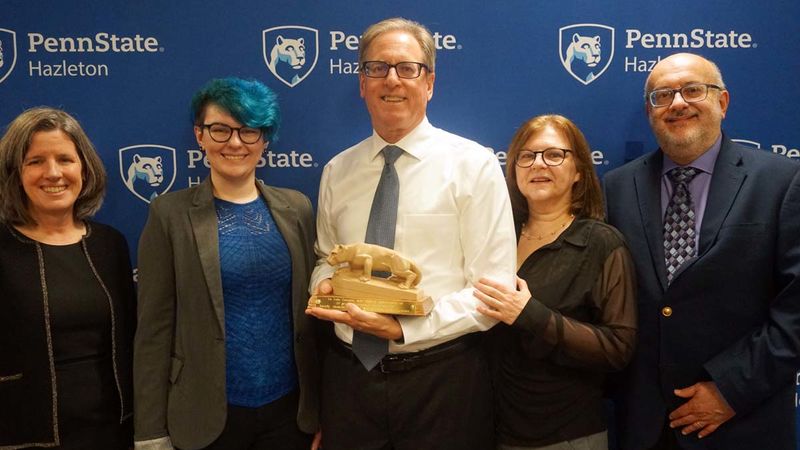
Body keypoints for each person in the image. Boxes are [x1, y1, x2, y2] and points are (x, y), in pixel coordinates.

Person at [306, 17, 517, 450]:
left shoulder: (472, 166)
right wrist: (324, 286)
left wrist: (402, 329)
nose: (392, 80)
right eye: (377, 68)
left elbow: (492, 292)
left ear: (430, 82)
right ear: (362, 83)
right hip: (349, 381)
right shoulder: (337, 171)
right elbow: (327, 256)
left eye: (408, 68)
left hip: (442, 382)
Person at [604, 53, 800, 449]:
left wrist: (730, 390)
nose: (677, 103)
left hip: (743, 422)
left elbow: (796, 310)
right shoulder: (616, 187)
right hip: (644, 425)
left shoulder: (783, 180)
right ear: (650, 111)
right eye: (662, 96)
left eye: (693, 90)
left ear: (722, 102)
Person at [133, 78, 319, 450]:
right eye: (220, 130)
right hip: (205, 420)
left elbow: (313, 323)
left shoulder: (297, 209)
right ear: (199, 136)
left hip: (290, 417)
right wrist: (150, 434)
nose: (235, 143)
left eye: (249, 131)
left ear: (265, 140)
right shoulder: (168, 215)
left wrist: (323, 411)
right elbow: (153, 331)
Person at [472, 114, 637, 450]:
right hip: (484, 427)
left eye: (554, 155)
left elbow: (619, 348)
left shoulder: (601, 243)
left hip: (564, 433)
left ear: (578, 171)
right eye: (527, 156)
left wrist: (530, 314)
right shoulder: (492, 235)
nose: (538, 165)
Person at [0, 107, 135, 449]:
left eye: (65, 159)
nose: (53, 173)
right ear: (15, 173)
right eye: (35, 161)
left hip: (112, 432)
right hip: (23, 435)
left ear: (84, 169)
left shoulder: (110, 244)